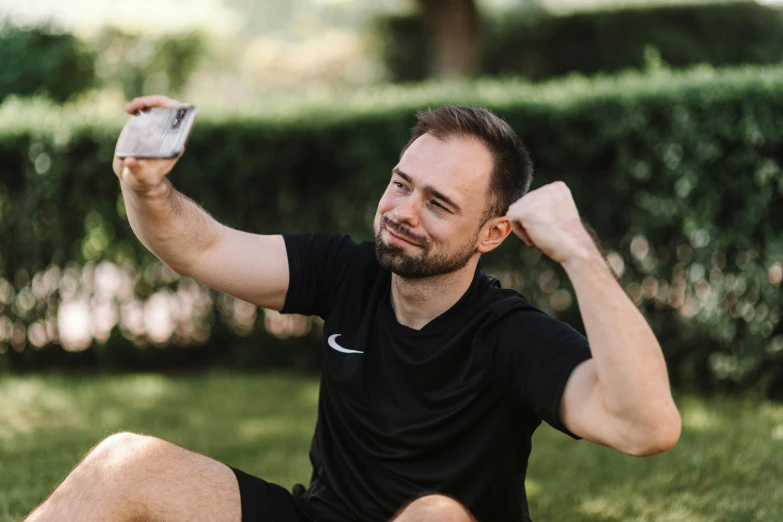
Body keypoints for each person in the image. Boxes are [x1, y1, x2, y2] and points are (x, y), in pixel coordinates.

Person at [25, 95, 681, 522]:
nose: (402, 213)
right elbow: (200, 248)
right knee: (127, 461)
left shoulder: (508, 335)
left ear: (491, 234)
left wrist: (577, 253)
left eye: (439, 203)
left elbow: (646, 427)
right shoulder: (349, 273)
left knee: (435, 517)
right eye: (401, 184)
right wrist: (146, 186)